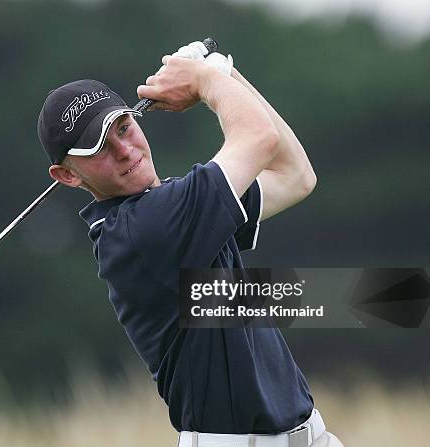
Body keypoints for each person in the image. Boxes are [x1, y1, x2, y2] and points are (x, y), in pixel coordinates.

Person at [37, 42, 344, 447]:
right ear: (68, 175)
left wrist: (224, 75)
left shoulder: (178, 210)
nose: (125, 151)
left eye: (125, 128)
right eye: (100, 150)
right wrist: (205, 80)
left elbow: (295, 175)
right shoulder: (145, 228)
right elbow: (258, 138)